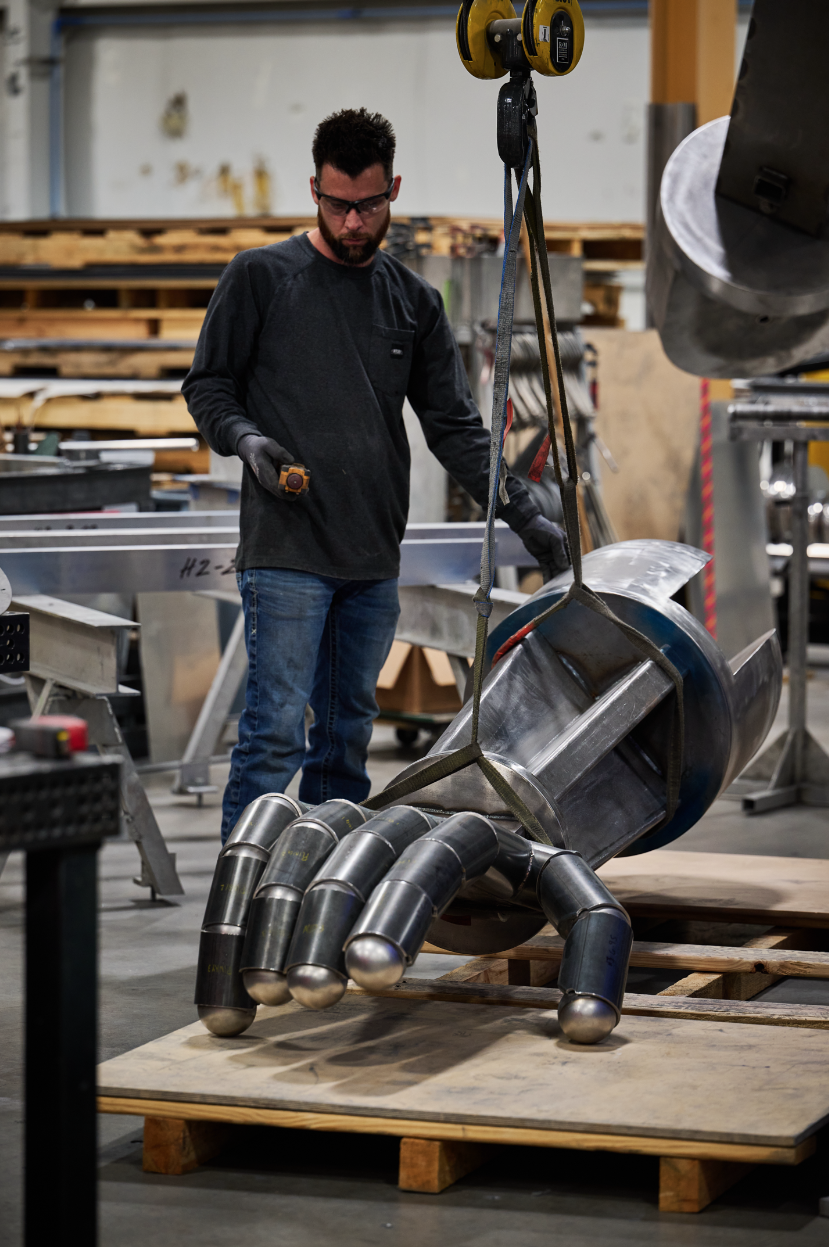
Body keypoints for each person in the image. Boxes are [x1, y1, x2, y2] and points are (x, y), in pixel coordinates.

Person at [183, 107, 569, 843]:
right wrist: (248, 439)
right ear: (313, 190)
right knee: (271, 739)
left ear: (392, 189)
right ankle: (241, 911)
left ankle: (322, 894)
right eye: (336, 205)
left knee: (345, 746)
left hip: (370, 555)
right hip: (287, 551)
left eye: (367, 205)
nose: (353, 222)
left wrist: (525, 513)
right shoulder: (261, 277)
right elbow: (207, 386)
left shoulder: (413, 302)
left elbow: (455, 428)